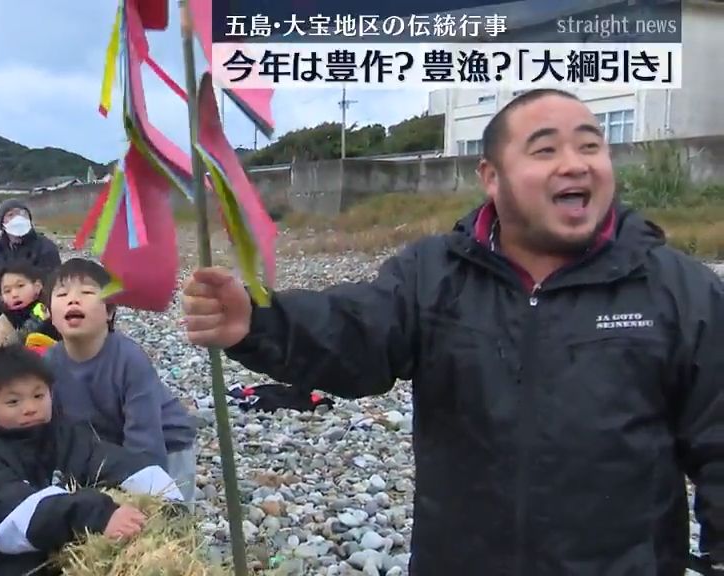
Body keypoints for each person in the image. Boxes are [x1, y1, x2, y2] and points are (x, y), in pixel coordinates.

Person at [180, 88, 724, 576]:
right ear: (491, 176)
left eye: (590, 146)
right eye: (545, 150)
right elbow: (358, 333)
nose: (575, 165)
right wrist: (256, 321)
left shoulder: (676, 289)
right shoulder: (435, 273)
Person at [0, 343, 184, 576]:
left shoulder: (63, 434)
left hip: (70, 562)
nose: (30, 408)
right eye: (13, 402)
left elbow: (108, 461)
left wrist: (165, 498)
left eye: (38, 395)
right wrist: (100, 514)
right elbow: (17, 517)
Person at [45, 258, 198, 508]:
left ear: (109, 311)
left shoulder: (129, 360)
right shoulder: (50, 363)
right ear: (51, 315)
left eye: (87, 292)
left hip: (166, 445)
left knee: (168, 515)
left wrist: (140, 490)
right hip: (109, 447)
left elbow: (146, 438)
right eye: (61, 294)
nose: (73, 300)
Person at [0, 260, 61, 361]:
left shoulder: (46, 307)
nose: (14, 294)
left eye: (20, 286)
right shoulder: (2, 316)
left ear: (37, 286)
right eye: (7, 291)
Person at [0, 199, 61, 296]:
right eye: (11, 215)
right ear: (2, 225)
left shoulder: (45, 247)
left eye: (22, 213)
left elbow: (53, 282)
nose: (17, 218)